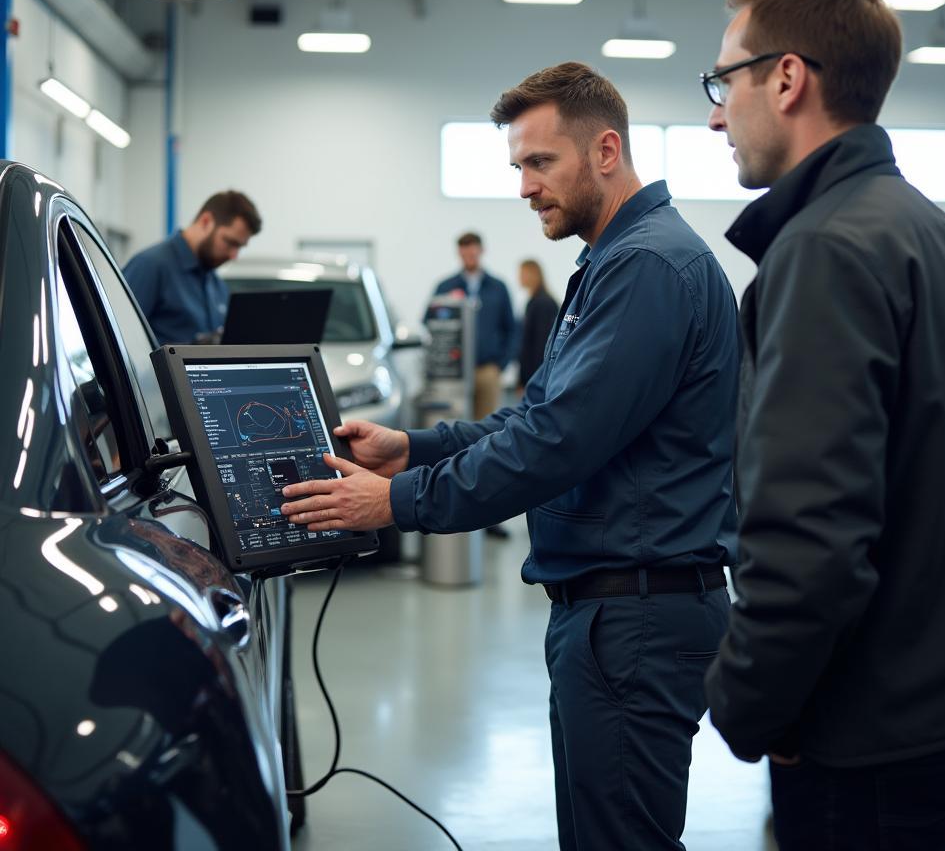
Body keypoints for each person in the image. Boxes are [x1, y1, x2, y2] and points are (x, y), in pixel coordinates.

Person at [280, 62, 740, 850]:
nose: (524, 187)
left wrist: (395, 504)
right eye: (517, 166)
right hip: (612, 611)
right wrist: (410, 448)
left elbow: (553, 446)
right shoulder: (611, 262)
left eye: (539, 162)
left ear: (605, 150)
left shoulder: (648, 268)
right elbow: (539, 415)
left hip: (636, 615)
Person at [699, 0, 945, 851]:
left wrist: (748, 702)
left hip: (865, 733)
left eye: (724, 79)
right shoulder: (931, 232)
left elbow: (810, 532)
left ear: (789, 78)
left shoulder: (825, 251)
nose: (719, 113)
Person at [123, 191, 261, 345]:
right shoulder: (149, 266)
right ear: (206, 221)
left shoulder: (217, 285)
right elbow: (119, 339)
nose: (233, 255)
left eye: (240, 247)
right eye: (230, 242)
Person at [430, 232, 516, 419]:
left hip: (487, 370)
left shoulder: (498, 287)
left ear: (481, 251)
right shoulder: (445, 287)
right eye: (465, 251)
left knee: (486, 426)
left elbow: (511, 328)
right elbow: (430, 325)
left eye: (473, 251)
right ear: (459, 253)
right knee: (452, 424)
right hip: (453, 373)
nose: (469, 255)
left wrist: (501, 364)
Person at [516, 258, 559, 392]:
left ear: (533, 275)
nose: (519, 278)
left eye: (523, 273)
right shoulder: (535, 302)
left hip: (538, 379)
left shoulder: (542, 303)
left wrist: (528, 381)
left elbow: (541, 346)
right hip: (535, 377)